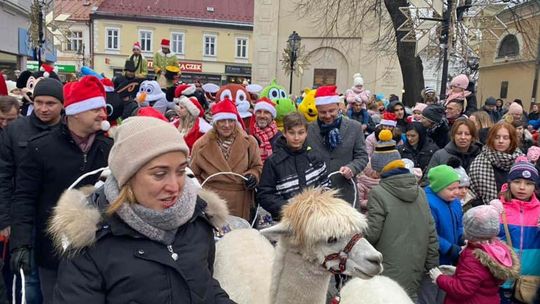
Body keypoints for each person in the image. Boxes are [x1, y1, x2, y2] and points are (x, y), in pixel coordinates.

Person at [49, 116, 233, 303]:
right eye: (159, 174)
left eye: (180, 171)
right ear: (127, 176)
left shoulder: (197, 220)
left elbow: (204, 287)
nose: (174, 186)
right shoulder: (92, 242)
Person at [9, 76, 113, 303]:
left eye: (103, 108)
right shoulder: (40, 148)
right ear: (76, 112)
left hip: (99, 251)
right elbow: (24, 198)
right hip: (53, 252)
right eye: (95, 108)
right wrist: (22, 243)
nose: (103, 114)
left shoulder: (110, 149)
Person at [0, 78, 64, 303]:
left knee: (56, 278)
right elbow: (3, 177)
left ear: (62, 105)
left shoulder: (67, 130)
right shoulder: (15, 130)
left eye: (50, 103)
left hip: (55, 215)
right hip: (23, 214)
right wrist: (5, 219)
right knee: (28, 280)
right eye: (38, 102)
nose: (43, 109)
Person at [365, 138, 439, 301]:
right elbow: (431, 230)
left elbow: (372, 233)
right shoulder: (419, 191)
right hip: (416, 264)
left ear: (378, 170)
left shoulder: (378, 193)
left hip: (388, 266)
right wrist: (432, 264)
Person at [429, 205, 520, 304]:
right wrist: (458, 271)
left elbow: (462, 289)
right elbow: (482, 277)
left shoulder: (473, 257)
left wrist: (439, 278)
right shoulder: (496, 250)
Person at [191, 99, 263, 220]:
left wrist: (253, 176)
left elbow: (257, 166)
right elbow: (193, 176)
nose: (227, 125)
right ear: (215, 123)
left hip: (240, 199)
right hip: (213, 202)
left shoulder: (250, 142)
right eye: (222, 121)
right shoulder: (200, 145)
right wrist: (202, 196)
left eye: (231, 120)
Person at [256, 112, 329, 220]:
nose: (296, 137)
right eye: (292, 133)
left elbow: (326, 185)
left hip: (316, 219)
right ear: (284, 133)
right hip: (287, 220)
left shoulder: (315, 157)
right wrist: (290, 208)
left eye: (301, 133)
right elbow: (265, 195)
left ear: (306, 133)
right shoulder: (273, 162)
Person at [306, 85, 369, 205]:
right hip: (317, 194)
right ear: (317, 110)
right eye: (323, 112)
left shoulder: (354, 127)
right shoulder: (308, 129)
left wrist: (352, 168)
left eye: (331, 111)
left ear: (338, 107)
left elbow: (362, 156)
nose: (328, 116)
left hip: (345, 191)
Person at [490, 159, 540, 304]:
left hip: (531, 282)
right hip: (501, 279)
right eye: (517, 182)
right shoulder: (497, 209)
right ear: (509, 183)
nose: (522, 187)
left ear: (535, 186)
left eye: (529, 183)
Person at [418, 165, 464, 304]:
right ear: (438, 187)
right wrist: (448, 248)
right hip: (433, 260)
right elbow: (429, 232)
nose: (456, 192)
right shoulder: (428, 203)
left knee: (444, 296)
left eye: (458, 187)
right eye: (451, 189)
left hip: (450, 260)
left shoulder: (455, 202)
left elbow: (459, 224)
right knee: (429, 295)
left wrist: (462, 237)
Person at [469, 122, 523, 206]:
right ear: (491, 139)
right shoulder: (479, 162)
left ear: (511, 140)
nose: (501, 141)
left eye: (505, 138)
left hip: (517, 211)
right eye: (497, 137)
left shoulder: (521, 161)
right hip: (487, 212)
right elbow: (474, 195)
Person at [249, 97, 282, 163]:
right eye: (259, 112)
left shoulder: (281, 138)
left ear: (272, 116)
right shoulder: (249, 135)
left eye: (266, 112)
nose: (262, 116)